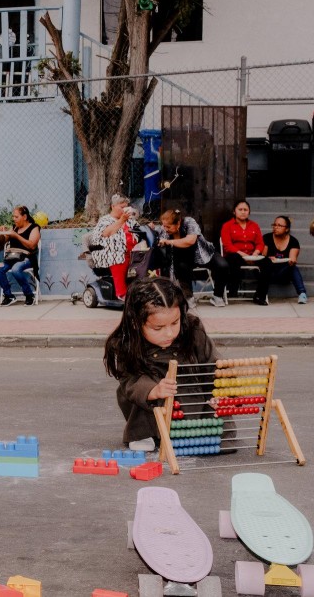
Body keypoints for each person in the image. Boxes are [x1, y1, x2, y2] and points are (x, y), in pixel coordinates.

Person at [103, 278, 218, 451]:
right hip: (151, 408)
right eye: (158, 328)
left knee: (221, 437)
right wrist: (153, 391)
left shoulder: (192, 330)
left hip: (191, 402)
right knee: (141, 394)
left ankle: (195, 431)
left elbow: (214, 364)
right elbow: (129, 380)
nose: (169, 333)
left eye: (175, 322)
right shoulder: (126, 343)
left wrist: (221, 393)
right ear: (136, 323)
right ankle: (144, 432)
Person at [151, 209, 229, 307]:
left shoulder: (189, 222)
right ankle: (188, 297)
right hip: (184, 258)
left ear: (178, 223)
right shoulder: (163, 229)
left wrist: (169, 242)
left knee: (223, 265)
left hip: (203, 254)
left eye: (168, 226)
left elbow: (190, 241)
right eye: (164, 226)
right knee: (180, 266)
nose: (165, 228)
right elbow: (154, 231)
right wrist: (151, 227)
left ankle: (217, 295)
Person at [89, 193, 138, 300]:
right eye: (122, 207)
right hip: (108, 252)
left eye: (126, 207)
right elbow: (106, 233)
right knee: (118, 257)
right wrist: (121, 221)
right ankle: (121, 293)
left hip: (131, 252)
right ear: (113, 206)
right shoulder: (105, 220)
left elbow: (138, 231)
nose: (124, 209)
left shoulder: (130, 220)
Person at [220, 200, 270, 304]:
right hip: (235, 256)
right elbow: (227, 246)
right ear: (234, 212)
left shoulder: (254, 225)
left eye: (245, 210)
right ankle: (233, 287)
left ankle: (259, 296)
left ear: (249, 212)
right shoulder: (227, 225)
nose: (243, 212)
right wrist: (244, 256)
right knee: (235, 258)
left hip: (253, 256)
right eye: (240, 209)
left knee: (267, 262)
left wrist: (255, 254)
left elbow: (260, 243)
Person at [0, 205, 41, 306]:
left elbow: (32, 245)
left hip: (27, 258)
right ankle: (8, 296)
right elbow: (2, 242)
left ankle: (29, 295)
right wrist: (2, 233)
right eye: (13, 217)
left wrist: (16, 236)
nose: (14, 219)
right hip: (12, 258)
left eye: (16, 217)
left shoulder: (34, 228)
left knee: (16, 269)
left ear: (24, 217)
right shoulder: (14, 228)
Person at [256, 216, 307, 305]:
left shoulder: (293, 241)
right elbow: (263, 256)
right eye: (274, 225)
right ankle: (261, 295)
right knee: (265, 264)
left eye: (279, 225)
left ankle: (302, 294)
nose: (276, 227)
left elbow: (292, 258)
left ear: (287, 229)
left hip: (283, 272)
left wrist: (291, 261)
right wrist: (268, 258)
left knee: (293, 267)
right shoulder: (267, 238)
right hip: (268, 271)